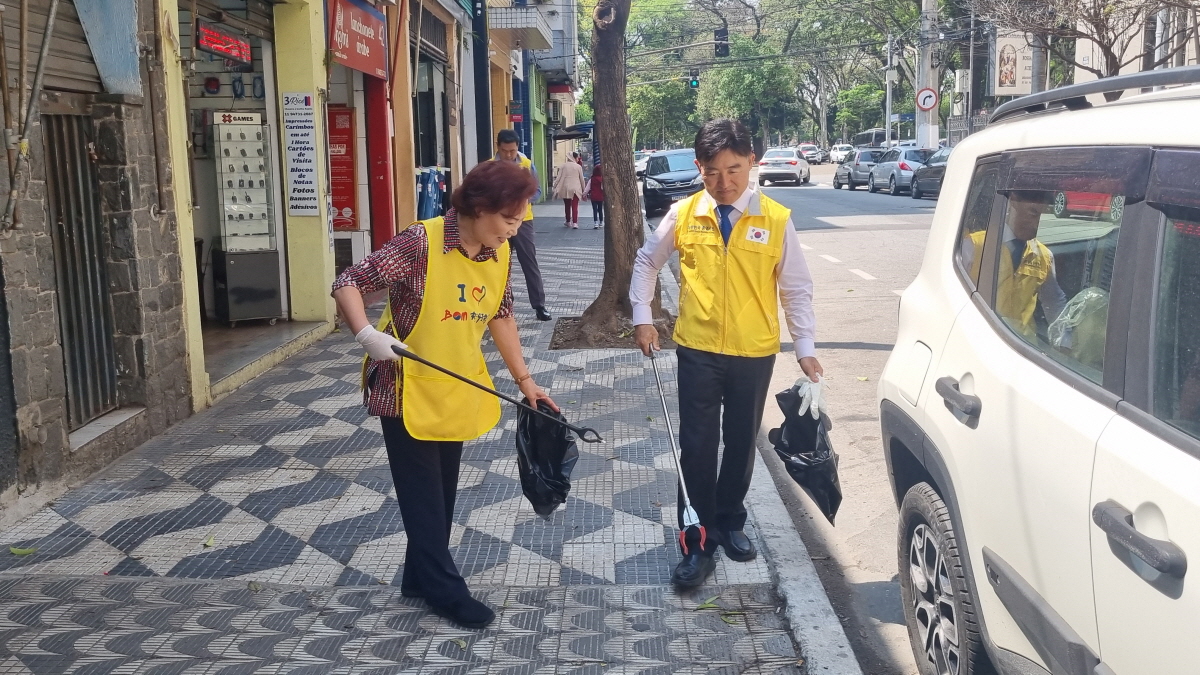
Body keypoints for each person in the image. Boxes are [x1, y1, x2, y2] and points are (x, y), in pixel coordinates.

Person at [331, 160, 558, 629]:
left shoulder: (498, 252)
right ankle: (446, 592)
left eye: (518, 223)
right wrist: (366, 334)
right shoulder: (422, 241)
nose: (513, 233)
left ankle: (417, 578)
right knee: (424, 499)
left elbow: (501, 314)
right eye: (508, 220)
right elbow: (348, 282)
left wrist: (526, 382)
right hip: (404, 387)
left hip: (455, 385)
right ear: (479, 208)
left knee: (443, 496)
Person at [630, 119, 822, 588]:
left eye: (734, 169)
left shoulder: (776, 219)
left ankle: (731, 522)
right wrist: (642, 316)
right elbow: (646, 261)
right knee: (696, 446)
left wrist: (805, 349)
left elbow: (795, 289)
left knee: (740, 442)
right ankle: (696, 538)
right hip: (697, 348)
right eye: (713, 171)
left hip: (754, 353)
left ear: (751, 164)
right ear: (700, 169)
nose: (725, 181)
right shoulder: (684, 213)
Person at [963, 190, 1067, 338]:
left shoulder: (1044, 256)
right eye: (1033, 213)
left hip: (1024, 346)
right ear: (1013, 201)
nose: (1037, 223)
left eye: (1043, 216)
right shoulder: (975, 245)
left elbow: (1054, 302)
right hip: (978, 338)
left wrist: (1064, 342)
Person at [494, 129, 552, 321]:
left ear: (517, 147)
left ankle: (539, 305)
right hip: (498, 221)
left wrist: (522, 199)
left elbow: (537, 191)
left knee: (529, 261)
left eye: (512, 151)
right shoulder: (490, 167)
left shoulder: (526, 165)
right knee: (499, 263)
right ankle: (502, 305)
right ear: (498, 148)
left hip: (523, 221)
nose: (509, 155)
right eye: (505, 151)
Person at [553, 153, 587, 229]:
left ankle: (568, 221)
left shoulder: (563, 166)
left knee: (567, 205)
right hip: (575, 188)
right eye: (577, 158)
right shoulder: (578, 167)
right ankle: (575, 223)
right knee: (575, 206)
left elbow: (558, 178)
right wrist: (584, 190)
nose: (578, 159)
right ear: (574, 158)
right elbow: (582, 179)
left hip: (565, 188)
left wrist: (554, 186)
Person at [585, 164, 605, 229]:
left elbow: (587, 188)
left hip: (593, 196)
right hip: (600, 196)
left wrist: (584, 194)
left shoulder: (592, 179)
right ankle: (601, 222)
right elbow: (602, 188)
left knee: (595, 210)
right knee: (600, 209)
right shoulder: (602, 179)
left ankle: (595, 223)